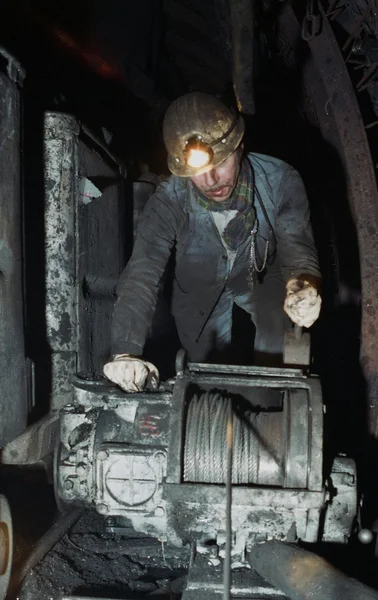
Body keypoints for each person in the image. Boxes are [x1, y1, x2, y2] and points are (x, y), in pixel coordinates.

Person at [104, 92, 321, 392]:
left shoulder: (281, 181)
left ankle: (270, 404)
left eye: (220, 162)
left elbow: (297, 245)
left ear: (240, 147)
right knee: (204, 370)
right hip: (198, 285)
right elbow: (143, 272)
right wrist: (125, 350)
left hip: (259, 276)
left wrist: (303, 284)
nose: (211, 180)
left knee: (276, 343)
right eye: (196, 172)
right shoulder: (169, 200)